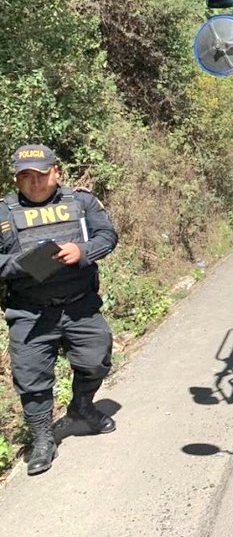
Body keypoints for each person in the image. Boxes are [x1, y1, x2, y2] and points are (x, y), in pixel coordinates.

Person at [0, 144, 119, 475]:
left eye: (40, 175)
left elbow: (108, 235)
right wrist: (22, 265)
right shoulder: (4, 213)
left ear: (56, 173)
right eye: (26, 177)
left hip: (80, 305)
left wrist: (82, 252)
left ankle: (82, 408)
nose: (34, 184)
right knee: (31, 380)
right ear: (16, 179)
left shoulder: (81, 202)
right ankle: (42, 439)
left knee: (97, 359)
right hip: (30, 312)